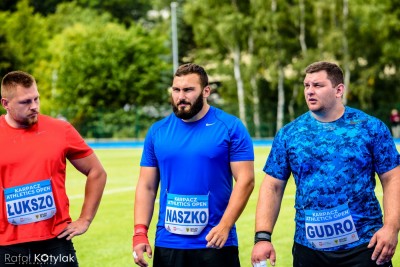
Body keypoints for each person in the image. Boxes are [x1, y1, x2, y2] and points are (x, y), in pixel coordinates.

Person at [251, 61, 400, 267]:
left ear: (339, 90)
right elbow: (272, 186)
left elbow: (393, 178)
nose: (310, 91)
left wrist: (391, 227)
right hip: (309, 249)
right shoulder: (290, 134)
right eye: (306, 86)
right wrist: (262, 238)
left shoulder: (370, 128)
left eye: (318, 85)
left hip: (365, 247)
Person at [132, 63, 255, 267]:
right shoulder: (157, 132)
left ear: (206, 91)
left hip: (216, 242)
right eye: (176, 90)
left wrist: (225, 225)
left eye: (188, 90)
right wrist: (139, 233)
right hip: (168, 243)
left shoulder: (230, 127)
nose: (181, 96)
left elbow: (246, 180)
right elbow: (147, 186)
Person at [0, 70, 107, 266]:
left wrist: (85, 219)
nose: (34, 107)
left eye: (36, 99)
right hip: (6, 244)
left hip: (56, 241)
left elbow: (97, 172)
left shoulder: (61, 130)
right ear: (5, 103)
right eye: (25, 102)